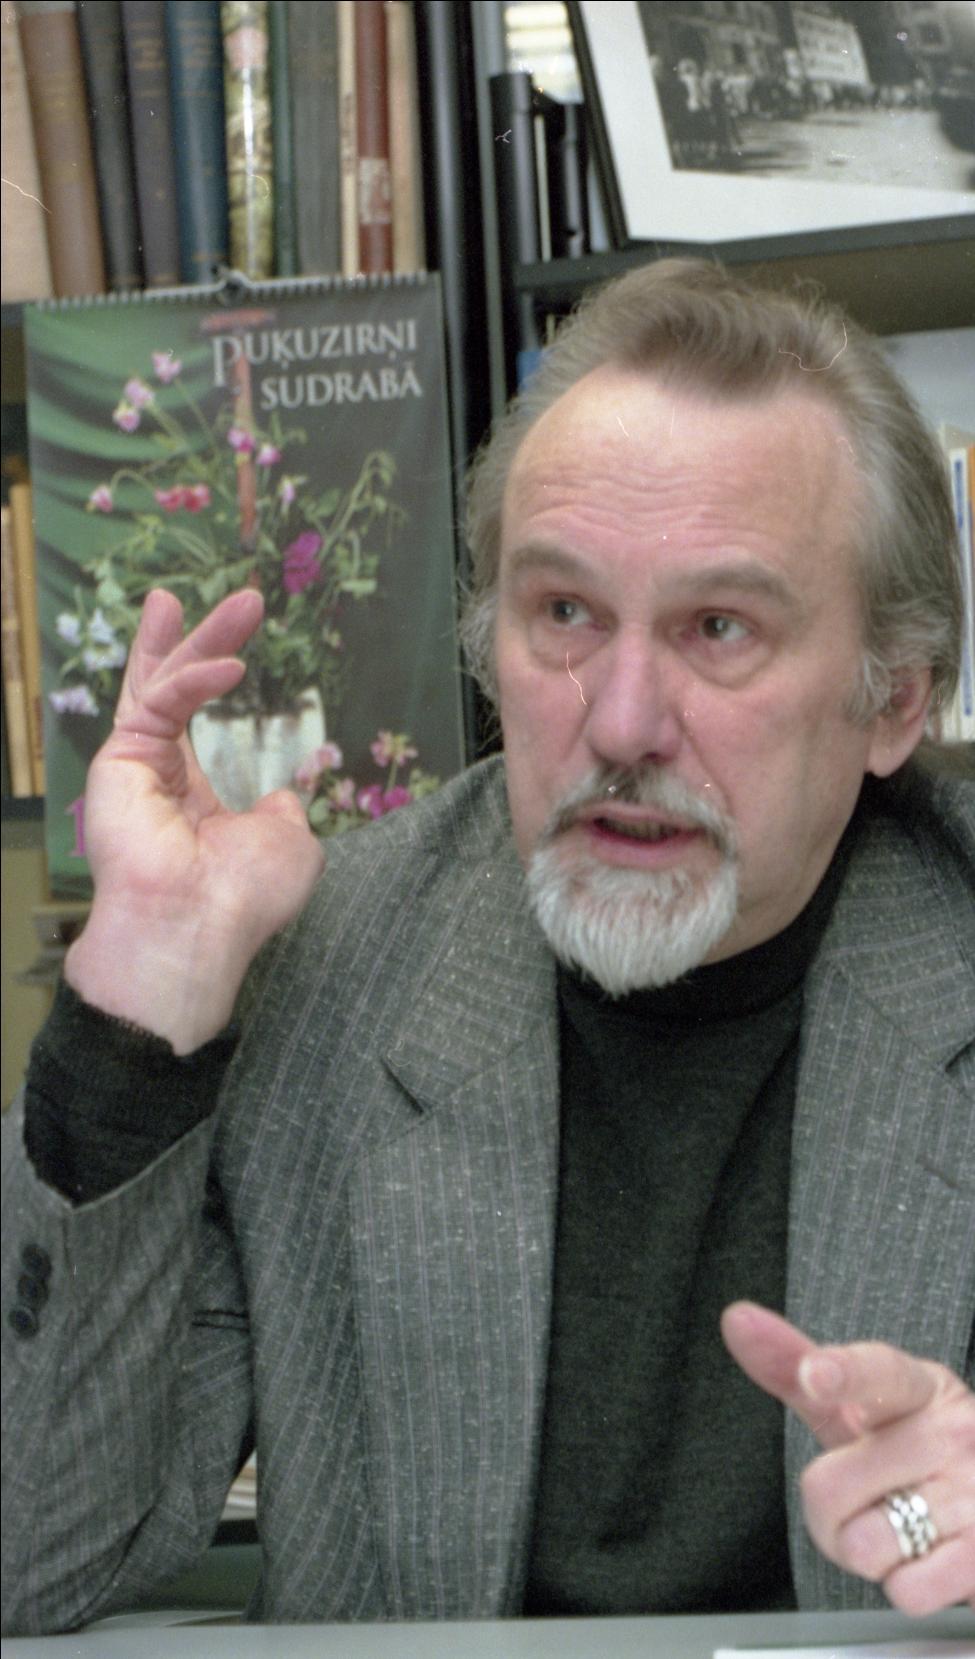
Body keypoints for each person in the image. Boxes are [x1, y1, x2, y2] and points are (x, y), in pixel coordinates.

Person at [2, 260, 973, 1634]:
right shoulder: (323, 967)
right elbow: (32, 1560)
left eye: (719, 629)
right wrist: (136, 1003)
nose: (621, 721)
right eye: (564, 613)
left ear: (894, 701)